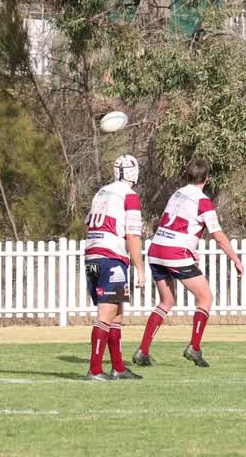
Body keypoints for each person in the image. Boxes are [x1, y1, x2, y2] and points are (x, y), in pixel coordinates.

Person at [134, 159, 245, 368]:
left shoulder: (176, 194)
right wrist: (236, 260)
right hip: (175, 252)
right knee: (205, 297)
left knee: (166, 302)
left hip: (156, 249)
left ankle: (143, 350)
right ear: (207, 179)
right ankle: (194, 347)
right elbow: (218, 236)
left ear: (187, 176)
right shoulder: (203, 201)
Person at [83, 155, 147, 380]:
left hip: (92, 257)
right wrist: (140, 268)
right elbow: (132, 235)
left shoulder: (101, 192)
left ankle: (118, 368)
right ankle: (94, 370)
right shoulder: (129, 196)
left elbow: (88, 222)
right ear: (134, 172)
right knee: (106, 314)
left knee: (117, 313)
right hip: (111, 258)